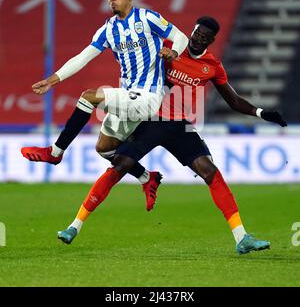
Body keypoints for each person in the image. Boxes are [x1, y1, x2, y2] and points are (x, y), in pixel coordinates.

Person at [55, 16, 287, 254]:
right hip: (149, 120)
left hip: (179, 126)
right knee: (119, 166)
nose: (198, 39)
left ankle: (242, 237)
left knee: (210, 171)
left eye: (205, 37)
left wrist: (261, 113)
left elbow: (234, 100)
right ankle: (74, 226)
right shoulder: (168, 47)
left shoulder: (212, 66)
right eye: (197, 33)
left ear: (212, 40)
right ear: (192, 30)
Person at [21, 0, 188, 192]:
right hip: (128, 96)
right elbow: (82, 57)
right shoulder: (108, 30)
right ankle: (147, 177)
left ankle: (55, 153)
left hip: (148, 96)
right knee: (104, 148)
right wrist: (53, 79)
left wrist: (173, 53)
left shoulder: (147, 18)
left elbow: (180, 37)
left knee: (88, 96)